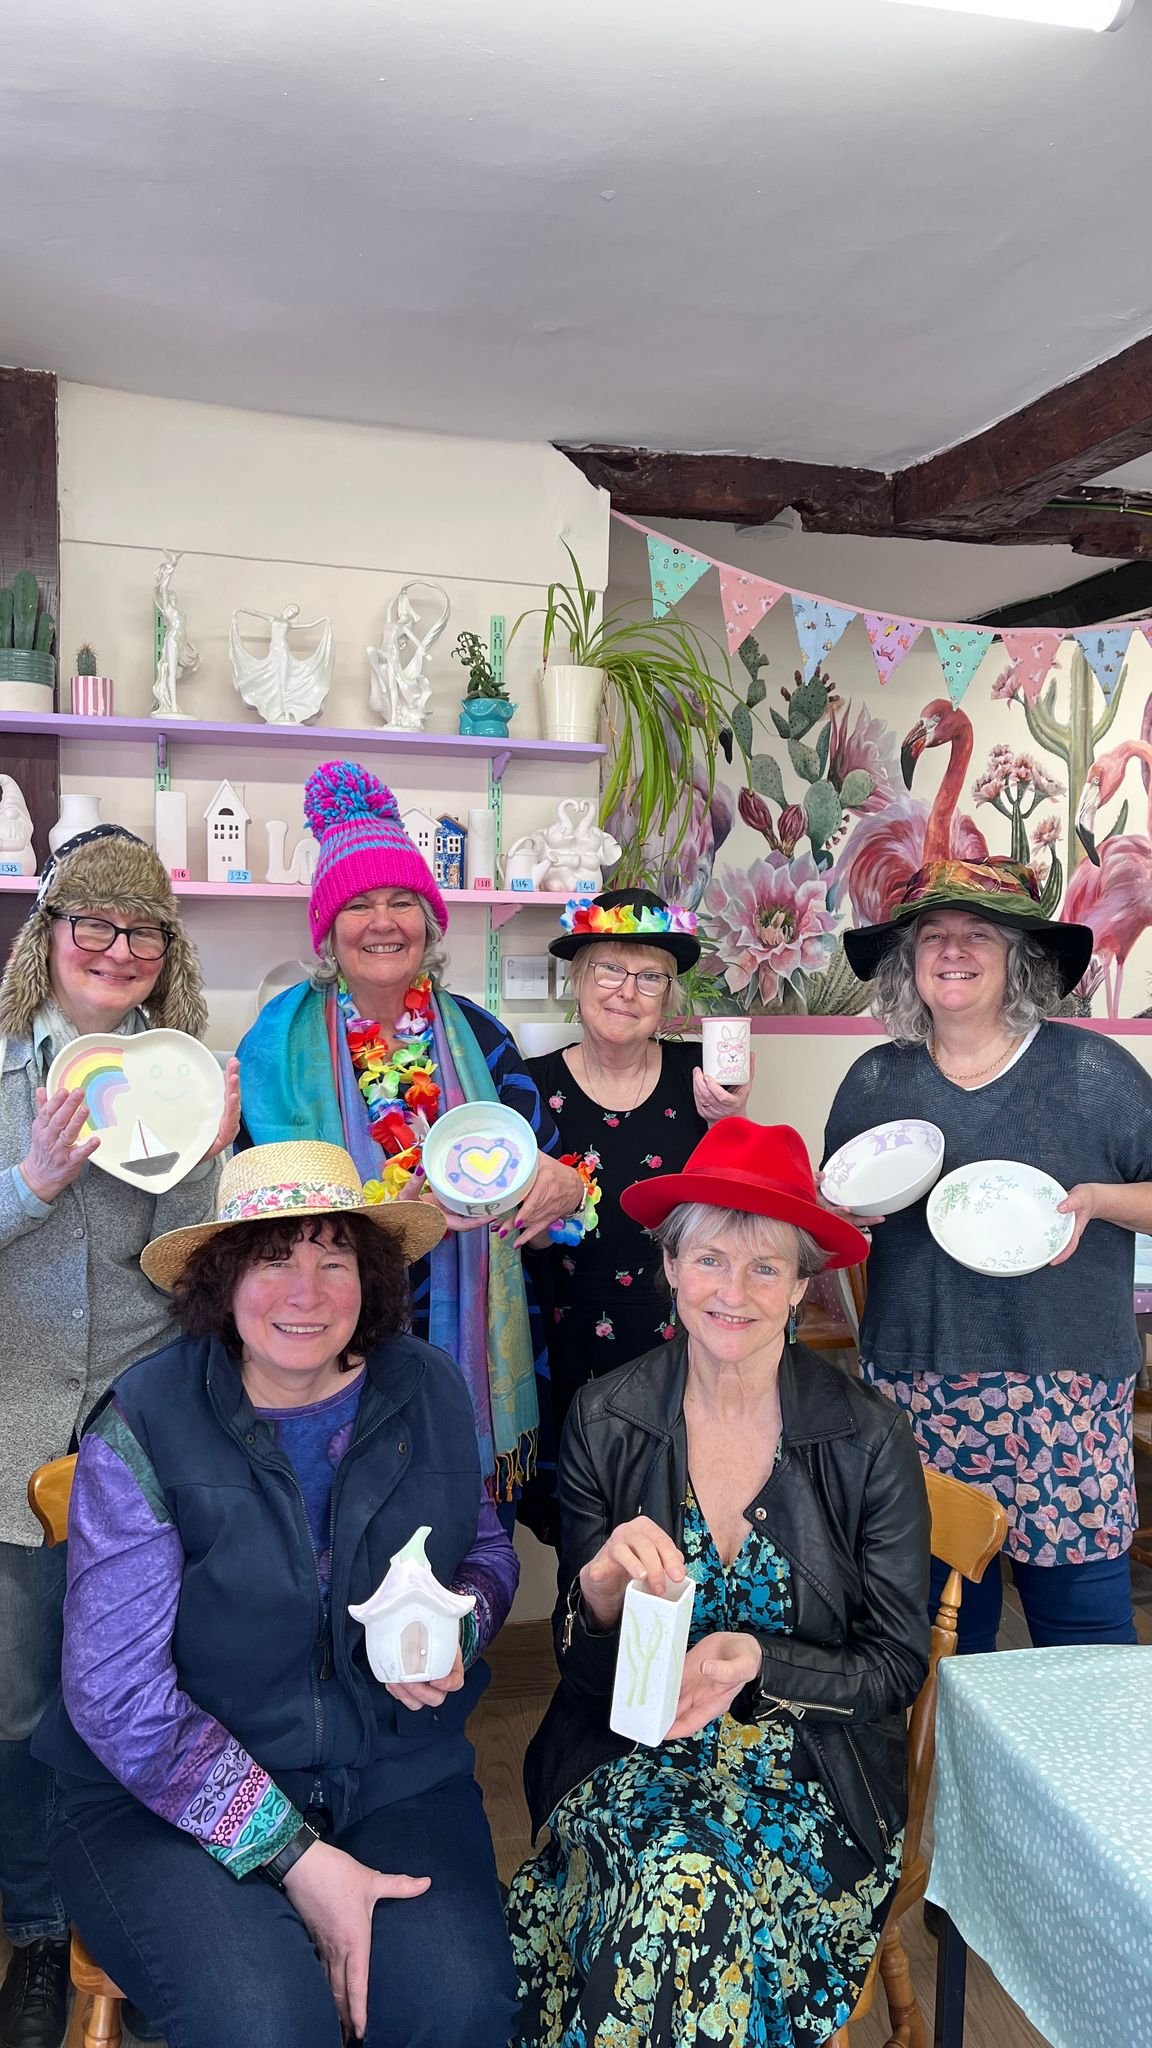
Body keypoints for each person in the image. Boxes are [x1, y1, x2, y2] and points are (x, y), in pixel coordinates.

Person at [35, 1140, 520, 2048]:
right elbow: (117, 1699)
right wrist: (299, 1858)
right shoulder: (146, 1418)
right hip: (157, 1802)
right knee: (266, 2026)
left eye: (334, 1259)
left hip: (389, 1774)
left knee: (455, 2012)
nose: (307, 1294)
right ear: (220, 1280)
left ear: (369, 1278)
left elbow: (486, 1552)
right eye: (272, 1261)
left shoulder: (431, 1387)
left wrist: (463, 1623)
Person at [507, 1119, 929, 2048]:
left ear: (804, 1284)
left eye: (764, 1269)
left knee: (679, 1905)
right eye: (708, 1260)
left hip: (813, 1776)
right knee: (678, 1887)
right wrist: (603, 1592)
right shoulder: (606, 1419)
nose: (732, 1293)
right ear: (669, 1267)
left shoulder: (868, 1439)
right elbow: (583, 1676)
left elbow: (897, 1666)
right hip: (630, 1758)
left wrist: (755, 1661)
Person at [0, 824, 237, 2048]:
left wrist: (210, 1162)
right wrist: (30, 1180)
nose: (116, 946)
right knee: (22, 1703)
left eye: (141, 928)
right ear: (49, 937)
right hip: (8, 1451)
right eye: (92, 922)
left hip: (144, 1441)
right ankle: (39, 1932)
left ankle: (144, 1917)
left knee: (143, 1691)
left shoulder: (183, 1077)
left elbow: (194, 1270)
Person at [827, 855, 1152, 1654]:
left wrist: (1101, 1200)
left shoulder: (1093, 1072)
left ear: (1018, 959)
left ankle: (1085, 1785)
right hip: (919, 1384)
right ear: (909, 962)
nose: (953, 949)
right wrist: (843, 1221)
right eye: (933, 935)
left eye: (978, 933)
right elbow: (837, 1216)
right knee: (945, 1645)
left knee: (1085, 1639)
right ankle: (955, 1786)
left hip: (1065, 1388)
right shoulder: (876, 1081)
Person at [237, 761, 586, 1503]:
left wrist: (563, 1186)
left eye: (403, 901)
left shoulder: (480, 1036)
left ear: (429, 923)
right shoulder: (277, 1041)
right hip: (327, 1323)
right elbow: (252, 1202)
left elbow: (544, 1166)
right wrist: (387, 1218)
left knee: (458, 1533)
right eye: (359, 904)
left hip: (467, 1327)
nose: (384, 921)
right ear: (329, 929)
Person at [521, 887, 752, 1540]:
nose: (627, 989)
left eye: (650, 976)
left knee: (689, 1538)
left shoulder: (702, 1077)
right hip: (568, 1346)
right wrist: (530, 1225)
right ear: (578, 978)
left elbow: (739, 1207)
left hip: (685, 1351)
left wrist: (730, 1125)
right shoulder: (530, 1084)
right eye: (609, 968)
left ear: (669, 995)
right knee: (587, 1543)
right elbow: (512, 1229)